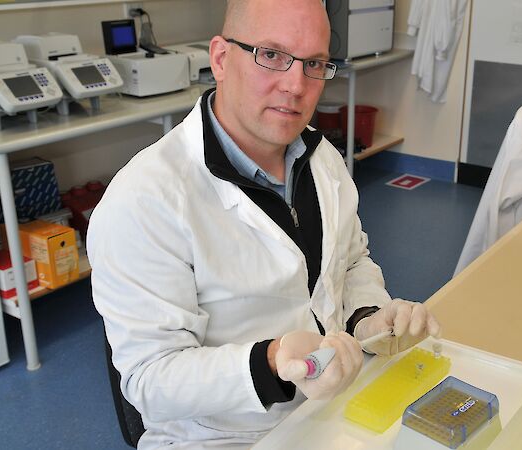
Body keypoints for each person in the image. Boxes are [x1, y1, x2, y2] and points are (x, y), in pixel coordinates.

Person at [87, 0, 440, 448]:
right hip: (226, 436)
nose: (295, 85)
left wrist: (367, 319)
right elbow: (150, 380)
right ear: (220, 58)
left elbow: (350, 264)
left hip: (334, 406)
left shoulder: (322, 158)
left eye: (314, 63)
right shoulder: (144, 199)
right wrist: (270, 363)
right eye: (271, 55)